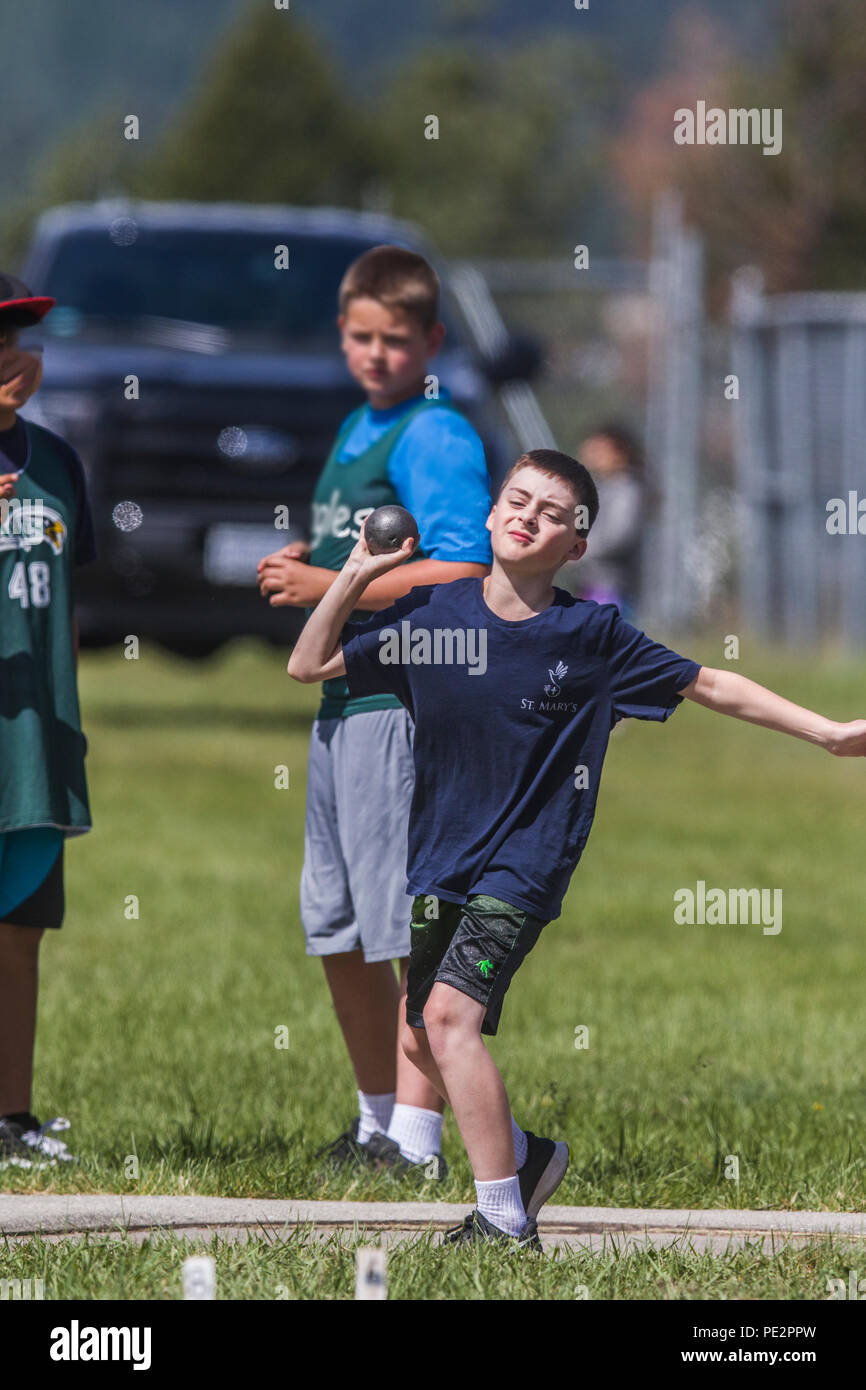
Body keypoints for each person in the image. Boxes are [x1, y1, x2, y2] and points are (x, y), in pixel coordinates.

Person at [287, 446, 866, 1245]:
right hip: (440, 858)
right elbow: (308, 662)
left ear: (576, 546)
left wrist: (828, 732)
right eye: (517, 500)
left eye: (553, 513)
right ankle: (524, 1158)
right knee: (423, 1029)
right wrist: (353, 575)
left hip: (524, 863)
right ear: (491, 516)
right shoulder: (435, 621)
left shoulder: (590, 636)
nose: (528, 516)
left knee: (450, 1020)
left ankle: (502, 1220)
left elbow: (709, 683)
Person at [257, 246, 492, 1174]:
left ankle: (420, 1140)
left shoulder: (434, 434)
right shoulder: (361, 423)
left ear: (432, 340)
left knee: (401, 928)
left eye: (397, 340)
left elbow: (465, 570)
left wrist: (325, 580)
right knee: (340, 923)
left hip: (400, 705)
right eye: (361, 336)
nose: (377, 354)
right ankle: (374, 1123)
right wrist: (315, 562)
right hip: (341, 704)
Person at [0, 273, 97, 1168]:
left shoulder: (57, 463)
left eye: (21, 335)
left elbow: (64, 604)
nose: (10, 353)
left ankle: (11, 1115)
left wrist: (69, 724)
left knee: (20, 927)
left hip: (35, 740)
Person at [556, 424, 643, 616]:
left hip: (612, 587)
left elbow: (618, 536)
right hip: (589, 583)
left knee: (604, 641)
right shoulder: (597, 488)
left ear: (619, 452)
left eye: (599, 450)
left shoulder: (626, 489)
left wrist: (578, 552)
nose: (591, 454)